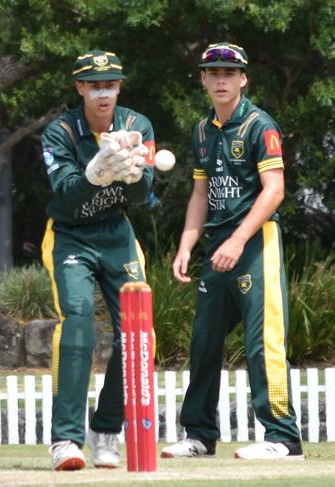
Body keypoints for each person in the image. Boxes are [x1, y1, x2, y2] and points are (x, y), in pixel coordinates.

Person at [162, 42, 303, 460]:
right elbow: (201, 193)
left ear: (243, 79)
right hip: (215, 249)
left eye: (230, 73)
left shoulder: (260, 125)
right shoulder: (202, 129)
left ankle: (282, 438)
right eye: (213, 73)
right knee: (203, 342)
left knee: (264, 342)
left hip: (256, 244)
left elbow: (275, 191)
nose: (221, 79)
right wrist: (187, 244)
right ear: (203, 80)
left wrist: (238, 238)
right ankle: (200, 436)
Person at [40, 50, 156, 470]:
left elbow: (144, 197)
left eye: (110, 85)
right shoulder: (60, 133)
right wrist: (94, 174)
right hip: (70, 236)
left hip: (117, 235)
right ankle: (65, 440)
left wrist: (137, 175)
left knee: (138, 335)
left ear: (119, 87)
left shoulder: (137, 125)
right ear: (80, 88)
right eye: (94, 86)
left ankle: (106, 432)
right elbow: (65, 194)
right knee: (78, 324)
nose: (103, 94)